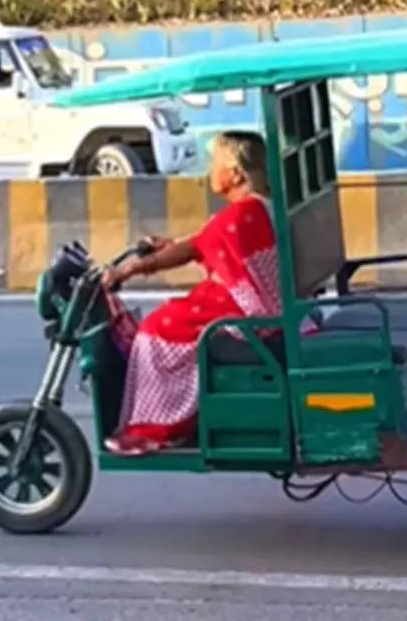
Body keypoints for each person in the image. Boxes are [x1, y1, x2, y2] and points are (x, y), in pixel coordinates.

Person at [101, 131, 285, 455]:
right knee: (176, 312)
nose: (209, 171)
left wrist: (128, 270)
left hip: (251, 312)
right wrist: (166, 249)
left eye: (215, 163)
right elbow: (200, 243)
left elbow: (196, 246)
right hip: (269, 303)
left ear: (235, 173)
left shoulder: (236, 217)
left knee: (157, 328)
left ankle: (157, 428)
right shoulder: (261, 208)